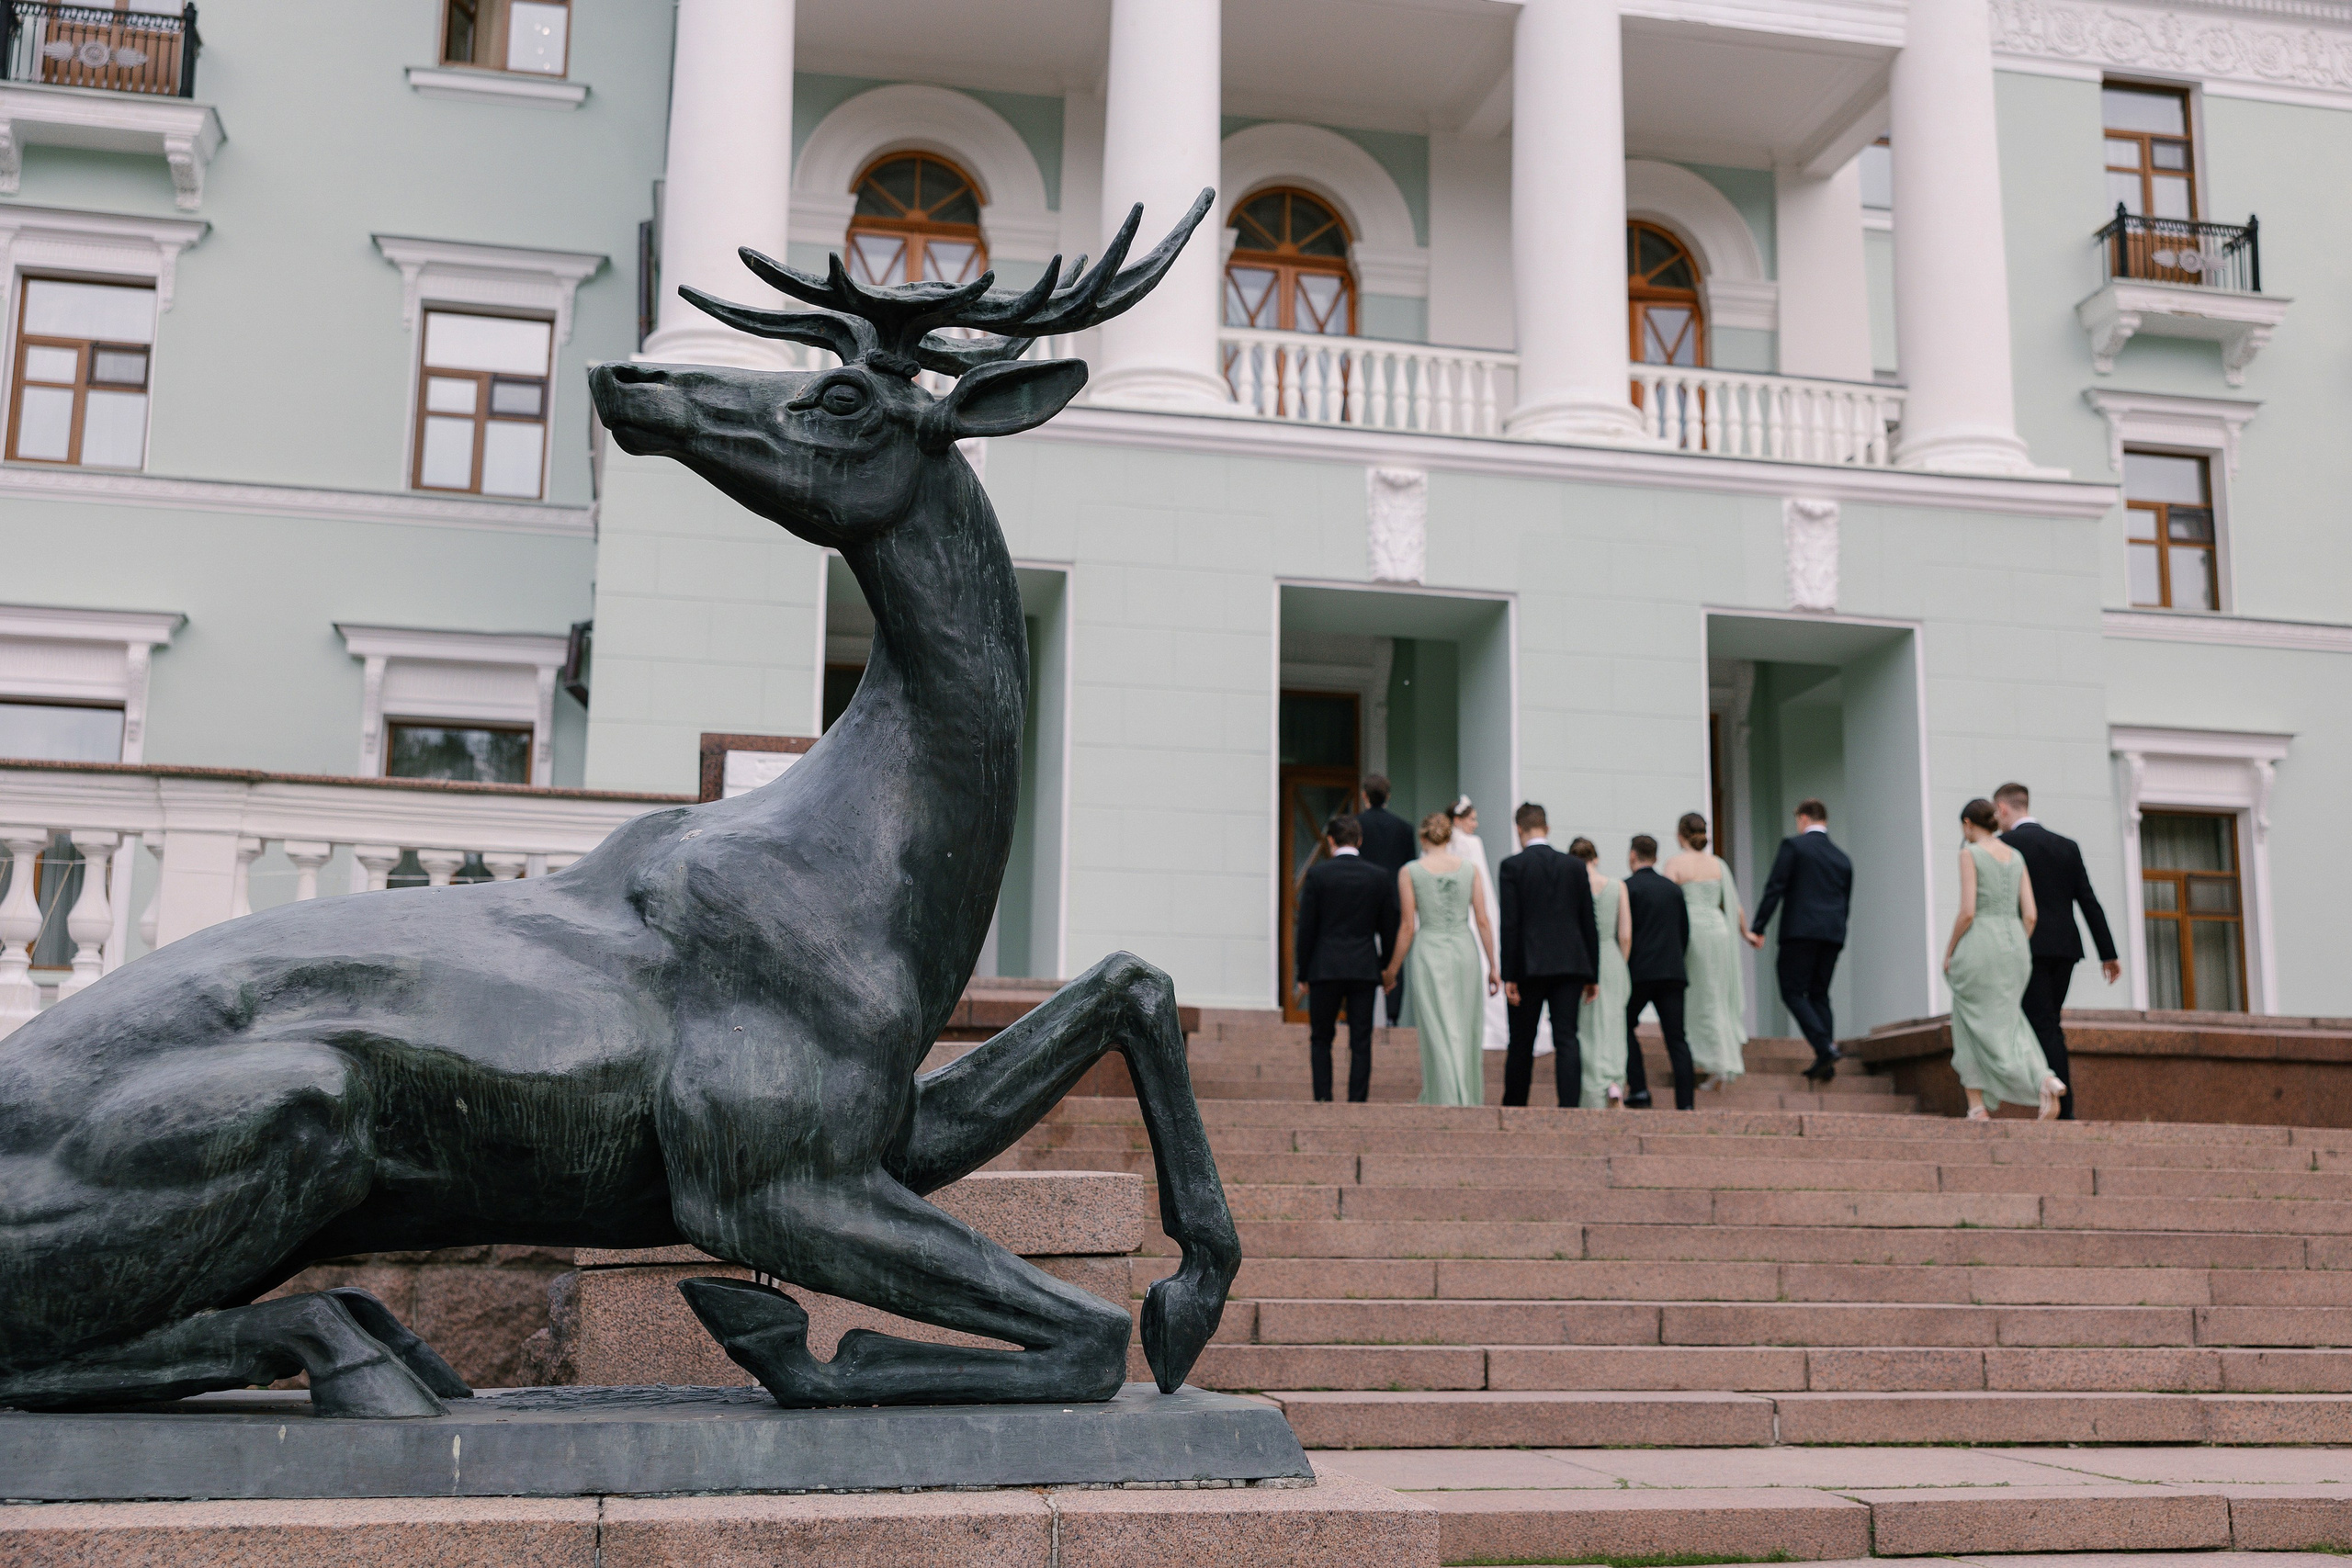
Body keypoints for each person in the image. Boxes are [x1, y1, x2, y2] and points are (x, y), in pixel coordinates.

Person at [1994, 782, 2120, 1121]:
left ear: (2003, 809)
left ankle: (2058, 1104)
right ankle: (2053, 1098)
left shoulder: (2003, 846)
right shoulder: (2066, 846)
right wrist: (2108, 953)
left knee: (2043, 1024)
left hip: (2026, 946)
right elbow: (2088, 901)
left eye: (1997, 813)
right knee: (2049, 1021)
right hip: (2065, 949)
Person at [1945, 797, 2065, 1121]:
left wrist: (1950, 950)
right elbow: (2030, 916)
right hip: (2015, 948)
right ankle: (2044, 1078)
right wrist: (2013, 947)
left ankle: (1977, 1106)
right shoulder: (2016, 856)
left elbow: (1968, 911)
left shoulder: (1969, 853)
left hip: (1980, 943)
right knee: (2011, 1022)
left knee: (1968, 1021)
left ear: (1968, 824)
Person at [1384, 810, 1498, 1107]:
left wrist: (1392, 969)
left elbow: (1407, 927)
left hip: (1429, 950)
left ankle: (1445, 1095)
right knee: (1464, 1024)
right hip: (1464, 949)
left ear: (1423, 837)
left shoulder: (1410, 872)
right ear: (1449, 837)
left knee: (1437, 1025)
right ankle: (1464, 1095)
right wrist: (1494, 965)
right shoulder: (1470, 869)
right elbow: (1483, 920)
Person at [1497, 803, 1600, 1107]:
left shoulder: (1512, 866)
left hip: (1529, 965)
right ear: (1547, 828)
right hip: (1570, 965)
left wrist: (1509, 974)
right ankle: (1569, 1107)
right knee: (1567, 1038)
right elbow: (1587, 923)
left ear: (1519, 829)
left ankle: (1515, 1106)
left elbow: (1510, 923)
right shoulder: (1574, 867)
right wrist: (1592, 973)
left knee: (1522, 1041)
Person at [1293, 813, 1401, 1103]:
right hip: (1364, 967)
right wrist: (1386, 967)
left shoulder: (1318, 875)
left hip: (1324, 967)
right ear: (1360, 840)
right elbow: (1389, 927)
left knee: (1321, 1038)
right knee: (1361, 1040)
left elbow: (1307, 929)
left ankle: (1323, 1100)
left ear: (1330, 841)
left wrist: (1302, 973)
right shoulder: (1378, 876)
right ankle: (1357, 1102)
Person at [1749, 799, 1854, 1082]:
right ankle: (1826, 1063)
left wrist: (1759, 926)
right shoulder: (1842, 858)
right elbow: (1845, 903)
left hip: (1800, 932)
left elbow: (1775, 888)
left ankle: (1824, 1046)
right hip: (1832, 935)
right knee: (1819, 994)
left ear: (1804, 818)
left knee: (1792, 991)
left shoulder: (1794, 847)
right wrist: (1839, 934)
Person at [1661, 812, 1757, 1092]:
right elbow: (1734, 904)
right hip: (1719, 932)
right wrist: (1746, 933)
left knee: (1696, 997)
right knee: (1716, 995)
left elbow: (1666, 902)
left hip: (1693, 934)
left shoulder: (1675, 864)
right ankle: (1720, 1061)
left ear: (1680, 835)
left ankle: (1706, 1058)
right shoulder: (1718, 865)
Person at [1450, 796, 1549, 1060]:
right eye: (1472, 819)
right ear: (1459, 820)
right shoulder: (1472, 843)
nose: (1476, 823)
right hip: (1474, 909)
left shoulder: (1445, 844)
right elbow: (1479, 876)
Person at [1621, 835, 1697, 1110]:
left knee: (1623, 1025)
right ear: (1655, 856)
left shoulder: (1627, 888)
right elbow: (1684, 932)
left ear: (1633, 855)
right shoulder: (1673, 890)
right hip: (1672, 973)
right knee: (1677, 1039)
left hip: (1638, 973)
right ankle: (1686, 1104)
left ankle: (1639, 1089)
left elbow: (1624, 933)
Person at [1568, 837, 1634, 1109]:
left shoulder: (1573, 886)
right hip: (1611, 957)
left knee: (1587, 1027)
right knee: (1613, 1024)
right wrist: (1621, 963)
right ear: (1596, 858)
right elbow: (1626, 934)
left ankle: (1592, 1088)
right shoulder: (1618, 886)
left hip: (1582, 958)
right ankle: (1614, 1082)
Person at [1355, 774, 1419, 1029]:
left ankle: (1362, 1012)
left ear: (1364, 795)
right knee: (1396, 956)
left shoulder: (1356, 825)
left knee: (1361, 951)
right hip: (1394, 899)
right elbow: (1409, 868)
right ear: (1388, 796)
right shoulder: (1404, 828)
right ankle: (1392, 1017)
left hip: (1364, 899)